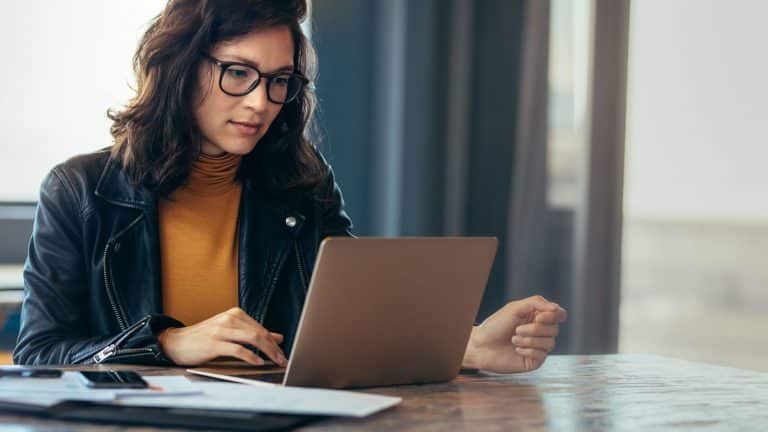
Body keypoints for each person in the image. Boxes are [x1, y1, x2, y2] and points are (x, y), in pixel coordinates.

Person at [12, 0, 567, 373]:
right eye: (238, 73)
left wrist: (465, 345)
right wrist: (165, 344)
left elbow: (351, 326)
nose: (260, 102)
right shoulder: (80, 190)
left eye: (280, 81)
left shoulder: (302, 182)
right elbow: (39, 356)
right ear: (179, 67)